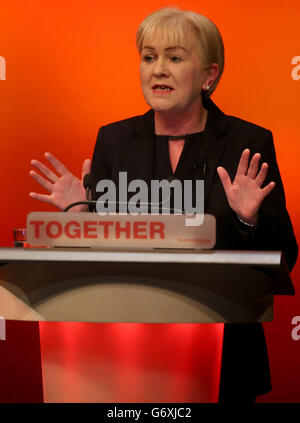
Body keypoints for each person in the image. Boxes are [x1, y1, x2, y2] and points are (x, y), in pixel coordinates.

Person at [29, 7, 298, 402]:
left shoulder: (247, 142)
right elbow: (100, 257)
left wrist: (247, 220)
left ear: (209, 75)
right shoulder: (114, 141)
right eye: (149, 57)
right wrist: (80, 219)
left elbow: (285, 254)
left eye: (174, 57)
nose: (158, 70)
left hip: (223, 355)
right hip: (126, 354)